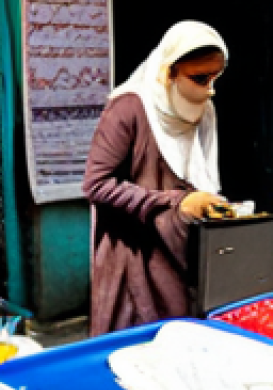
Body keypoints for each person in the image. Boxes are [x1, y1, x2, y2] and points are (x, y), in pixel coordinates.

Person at [83, 21, 229, 335]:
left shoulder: (204, 111)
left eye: (215, 78)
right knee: (131, 342)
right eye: (200, 78)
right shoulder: (128, 109)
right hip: (132, 250)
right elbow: (96, 184)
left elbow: (201, 177)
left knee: (179, 338)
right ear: (168, 73)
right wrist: (175, 202)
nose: (210, 89)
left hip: (178, 248)